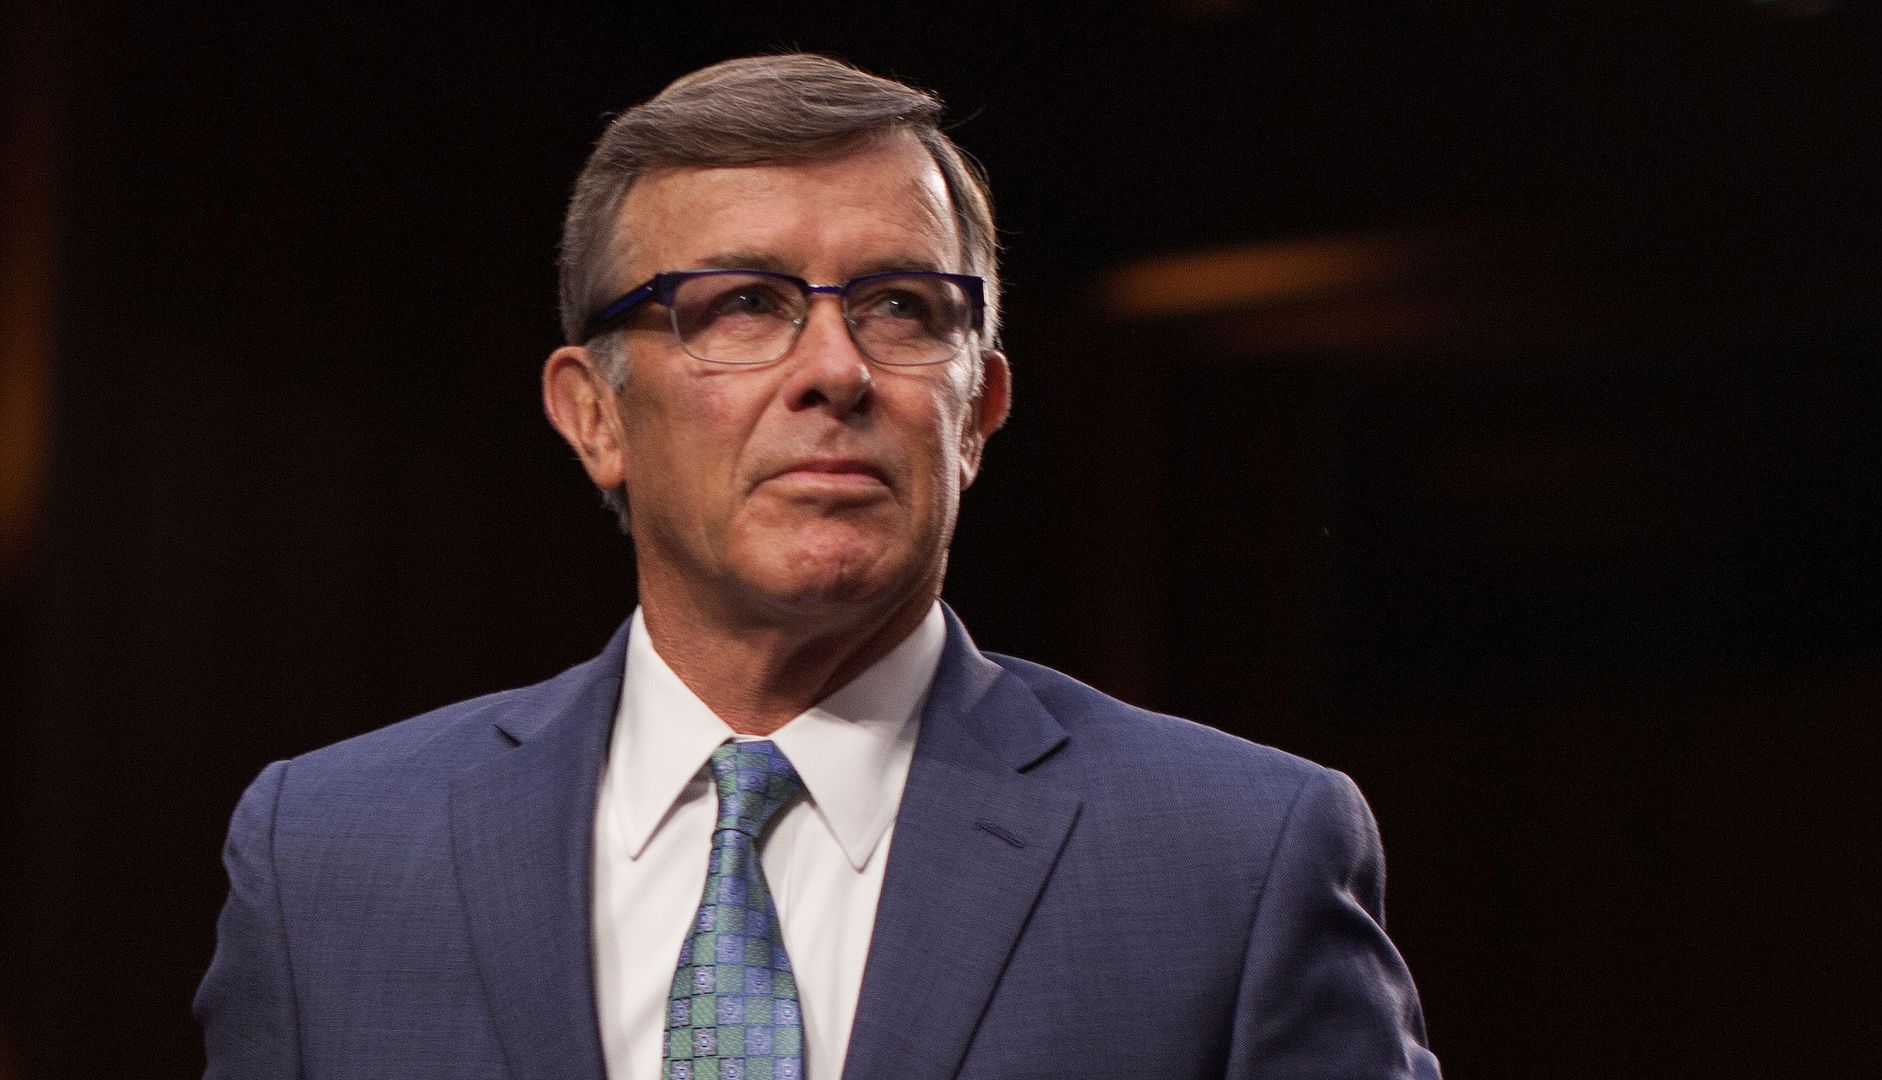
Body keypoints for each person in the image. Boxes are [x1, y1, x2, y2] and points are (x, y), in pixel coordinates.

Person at [195, 54, 1441, 1080]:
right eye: (742, 303)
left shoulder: (1235, 856)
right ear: (595, 415)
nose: (837, 370)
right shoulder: (330, 858)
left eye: (902, 305)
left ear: (977, 411)